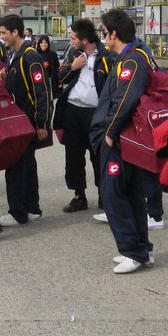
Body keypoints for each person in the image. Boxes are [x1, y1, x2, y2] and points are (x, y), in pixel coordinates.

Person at [89, 9, 154, 274]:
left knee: (114, 194)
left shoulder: (132, 60)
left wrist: (110, 132)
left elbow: (125, 99)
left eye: (104, 31)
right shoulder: (129, 57)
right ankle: (142, 249)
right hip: (124, 138)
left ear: (113, 33)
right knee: (131, 193)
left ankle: (133, 251)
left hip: (120, 139)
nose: (102, 36)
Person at [0, 14, 50, 227]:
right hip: (20, 121)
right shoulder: (15, 55)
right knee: (27, 165)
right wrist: (6, 74)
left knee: (16, 166)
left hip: (27, 122)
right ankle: (32, 208)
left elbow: (42, 91)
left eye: (3, 33)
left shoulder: (30, 56)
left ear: (15, 32)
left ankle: (18, 212)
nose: (1, 37)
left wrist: (41, 123)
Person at [56, 19, 112, 213]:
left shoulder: (106, 56)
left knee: (98, 156)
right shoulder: (73, 53)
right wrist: (73, 67)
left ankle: (104, 195)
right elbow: (59, 78)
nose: (71, 41)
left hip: (95, 114)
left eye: (74, 38)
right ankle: (79, 195)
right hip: (73, 110)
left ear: (85, 39)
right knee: (73, 156)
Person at [34, 35, 61, 99]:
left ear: (48, 44)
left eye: (45, 42)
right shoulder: (35, 54)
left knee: (50, 98)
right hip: (39, 81)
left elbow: (57, 68)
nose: (43, 44)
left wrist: (58, 81)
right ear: (39, 44)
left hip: (50, 80)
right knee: (41, 99)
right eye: (41, 43)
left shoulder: (53, 54)